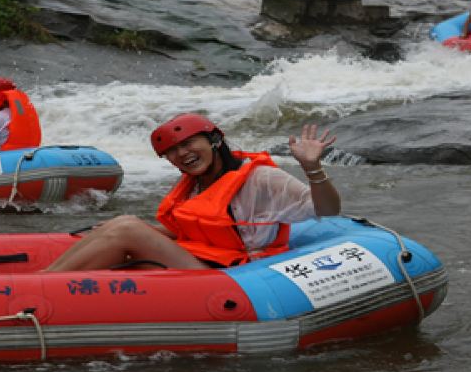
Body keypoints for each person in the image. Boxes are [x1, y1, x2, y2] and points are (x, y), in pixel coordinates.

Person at [45, 114, 340, 272]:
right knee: (120, 228)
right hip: (201, 259)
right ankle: (45, 281)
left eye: (188, 144)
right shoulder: (193, 185)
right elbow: (196, 230)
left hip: (237, 273)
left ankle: (42, 285)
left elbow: (327, 210)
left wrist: (312, 168)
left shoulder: (261, 179)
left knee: (127, 227)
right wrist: (142, 231)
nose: (182, 154)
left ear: (214, 140)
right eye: (172, 151)